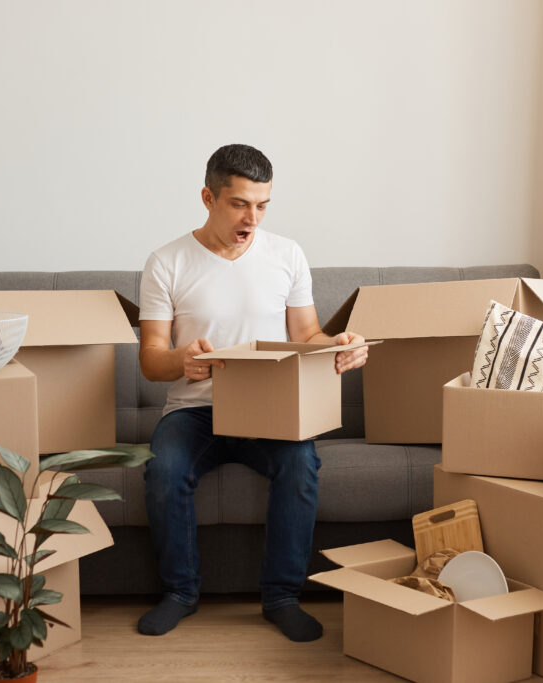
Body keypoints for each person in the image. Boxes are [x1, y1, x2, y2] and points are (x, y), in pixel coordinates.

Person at [136, 143, 368, 642]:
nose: (252, 218)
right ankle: (180, 593)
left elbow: (307, 337)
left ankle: (281, 597)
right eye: (240, 204)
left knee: (300, 464)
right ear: (208, 197)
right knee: (164, 470)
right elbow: (152, 359)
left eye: (262, 205)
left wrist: (341, 348)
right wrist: (184, 359)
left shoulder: (287, 254)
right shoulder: (166, 262)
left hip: (269, 411)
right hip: (194, 411)